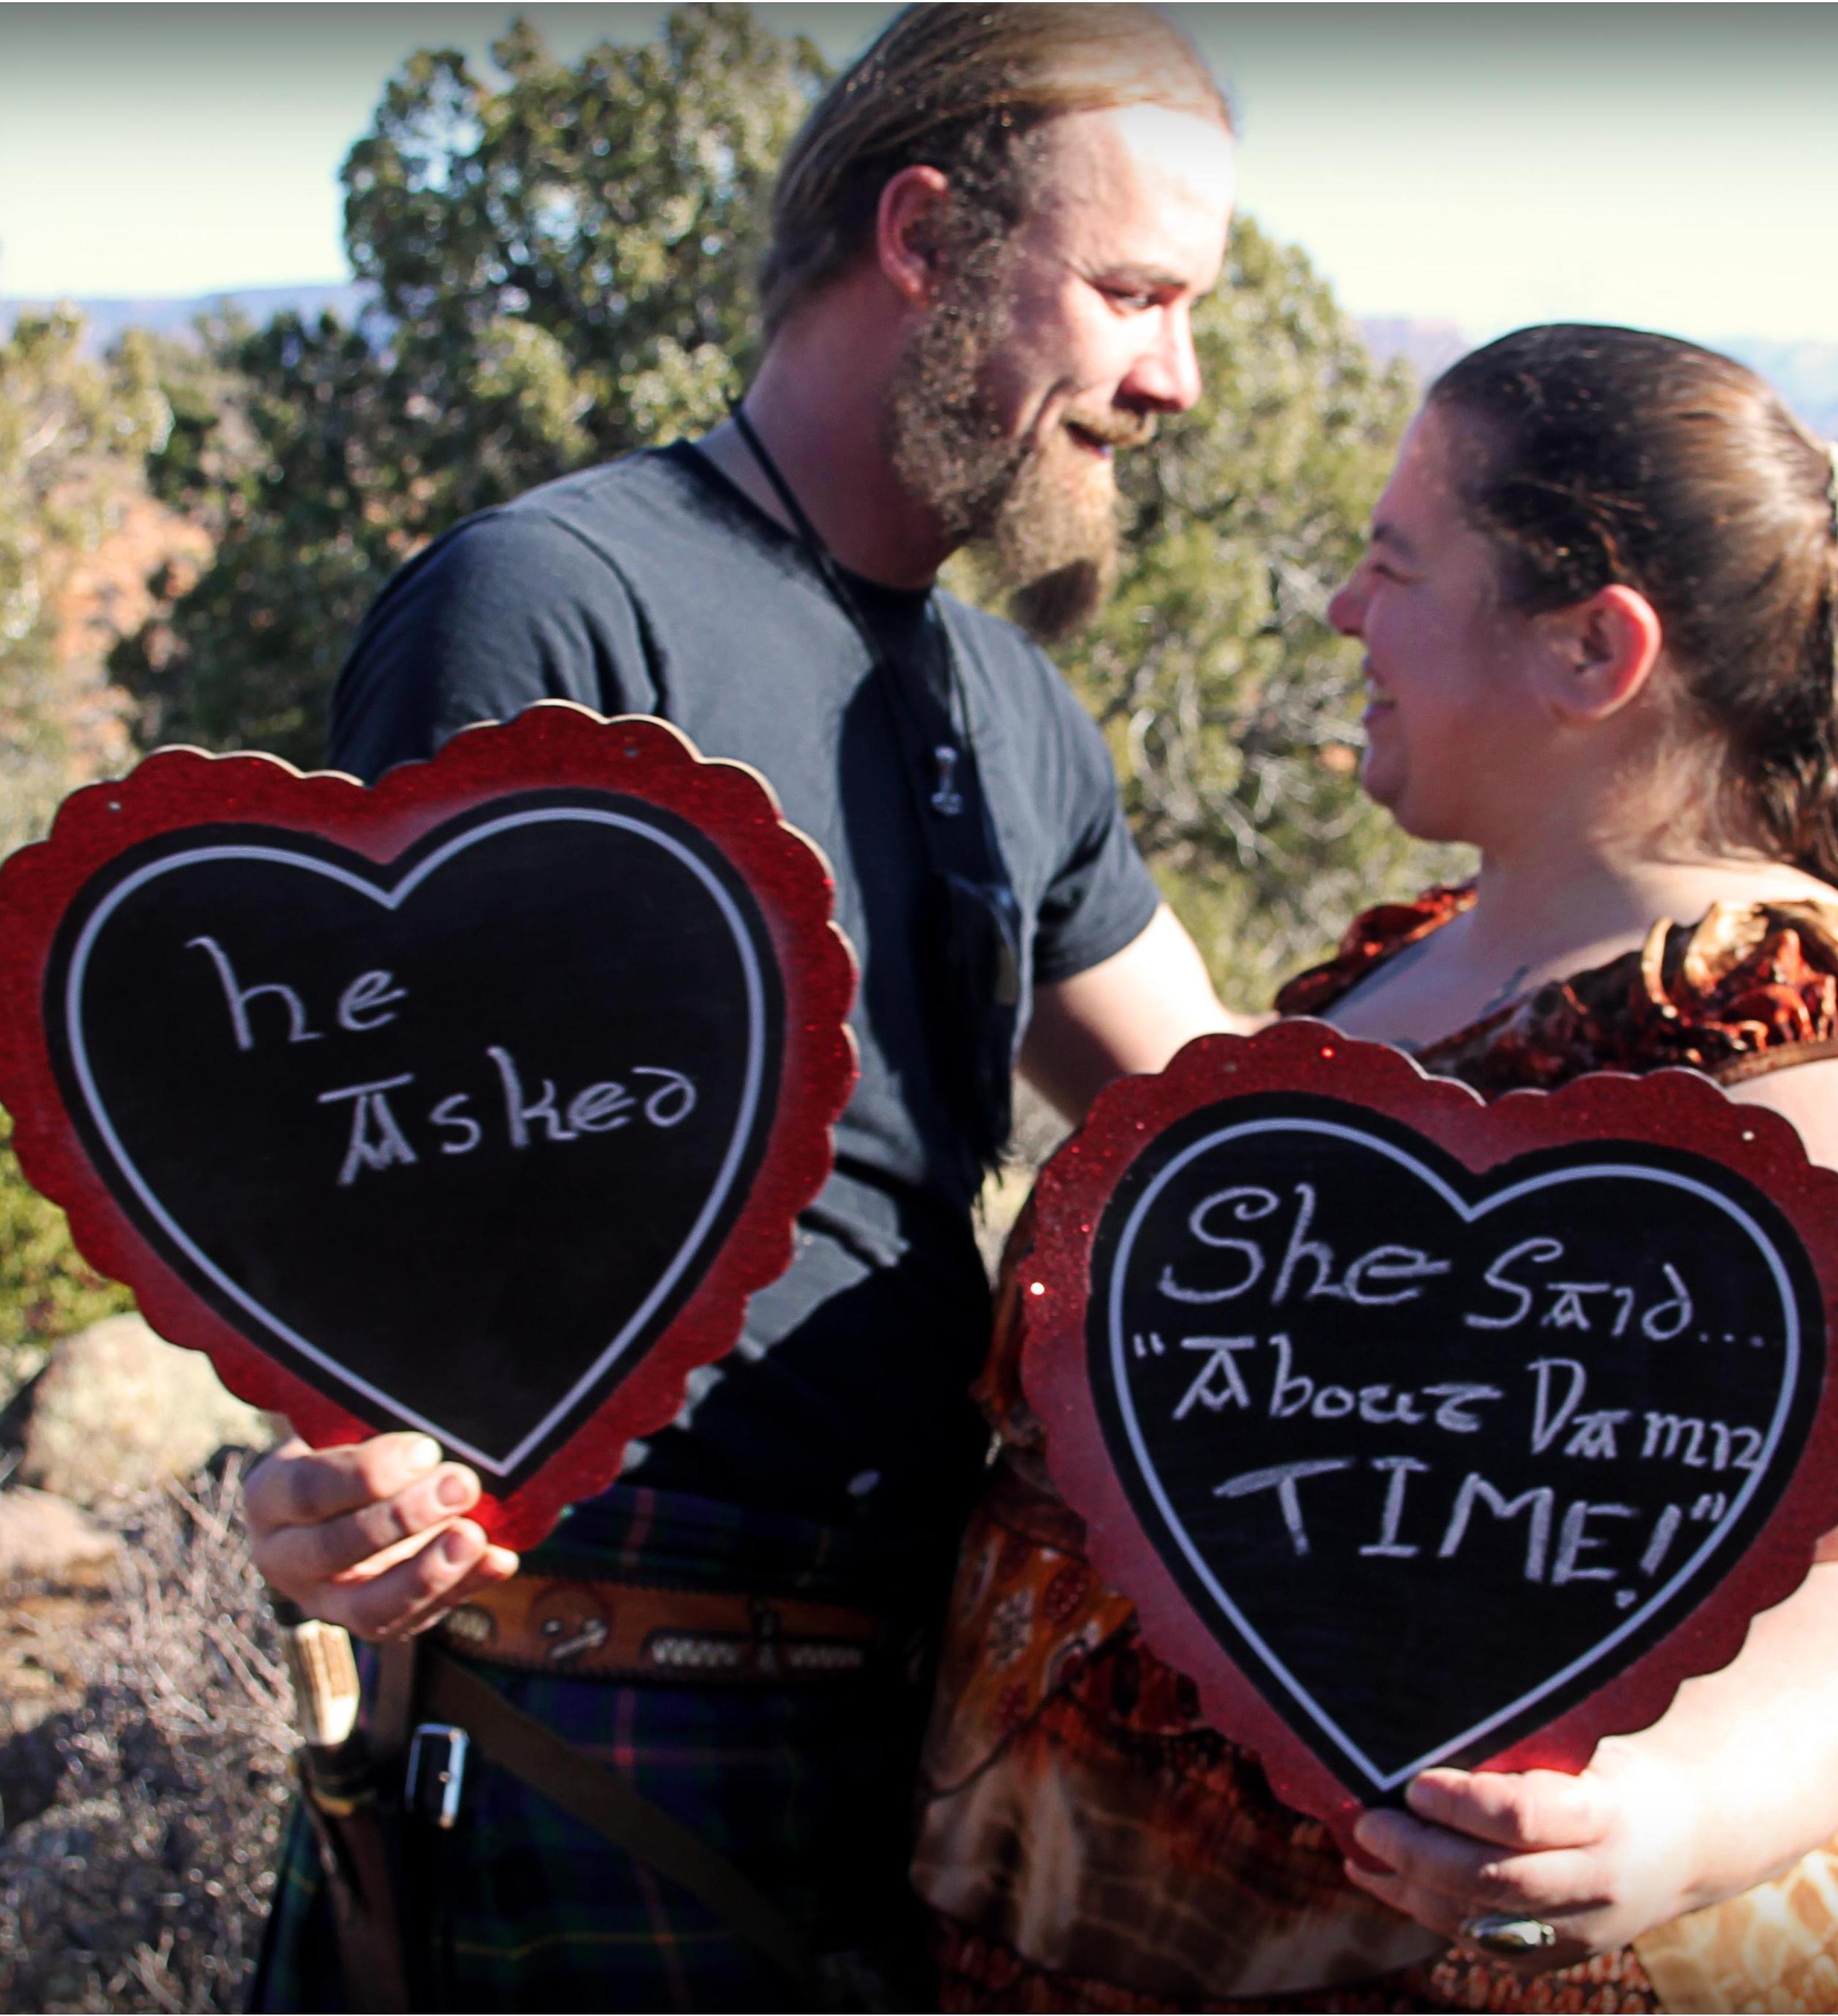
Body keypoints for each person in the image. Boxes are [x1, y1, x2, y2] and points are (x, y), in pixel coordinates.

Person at [245, 7, 1246, 2007]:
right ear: (922, 236)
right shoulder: (553, 604)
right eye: (1133, 293)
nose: (1176, 377)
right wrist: (326, 1476)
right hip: (597, 1717)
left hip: (926, 1742)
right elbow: (357, 1179)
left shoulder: (1005, 708)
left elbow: (1220, 1135)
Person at [916, 323, 1838, 2013]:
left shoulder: (1837, 1049)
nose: (1346, 614)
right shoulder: (1392, 971)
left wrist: (1666, 1814)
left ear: (1592, 646)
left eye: (1391, 566)